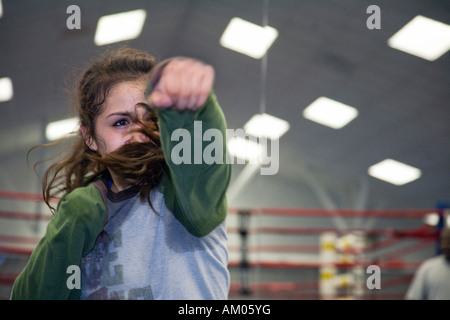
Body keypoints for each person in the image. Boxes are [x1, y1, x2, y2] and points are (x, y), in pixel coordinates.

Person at [10, 47, 231, 300]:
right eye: (121, 122)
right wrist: (72, 224)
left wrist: (193, 110)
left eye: (152, 120)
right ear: (90, 137)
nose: (139, 134)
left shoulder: (186, 196)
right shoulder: (83, 212)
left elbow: (200, 164)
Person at [405, 226, 450, 300]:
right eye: (444, 240)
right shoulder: (428, 267)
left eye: (449, 240)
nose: (446, 245)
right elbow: (414, 296)